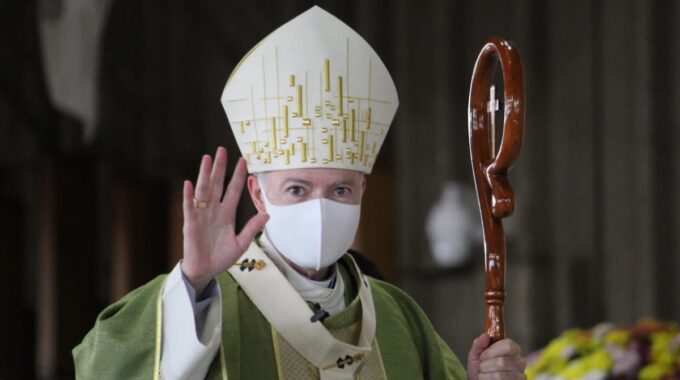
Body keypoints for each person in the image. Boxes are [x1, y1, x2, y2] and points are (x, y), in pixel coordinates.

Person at [74, 6, 527, 380]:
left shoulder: (397, 316)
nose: (320, 208)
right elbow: (101, 365)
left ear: (363, 191)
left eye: (340, 189)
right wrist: (193, 284)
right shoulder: (204, 304)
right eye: (296, 189)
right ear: (257, 192)